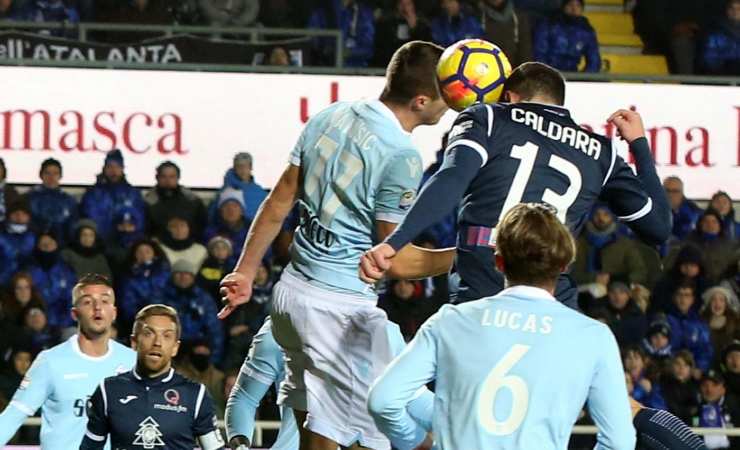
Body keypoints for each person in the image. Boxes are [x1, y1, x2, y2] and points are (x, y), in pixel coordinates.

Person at [219, 41, 453, 450]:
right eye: (444, 98)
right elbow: (395, 261)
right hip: (338, 308)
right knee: (398, 427)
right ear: (420, 101)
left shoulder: (330, 115)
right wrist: (463, 254)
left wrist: (245, 269)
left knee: (317, 430)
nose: (448, 107)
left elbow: (278, 202)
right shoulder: (401, 155)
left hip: (291, 296)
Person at [360, 62, 671, 308]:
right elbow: (658, 227)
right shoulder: (599, 151)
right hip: (551, 295)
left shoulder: (489, 118)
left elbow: (451, 180)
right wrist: (640, 146)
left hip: (484, 285)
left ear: (509, 97)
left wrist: (393, 243)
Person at [367, 203, 636, 449]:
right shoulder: (593, 337)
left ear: (498, 261)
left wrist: (415, 440)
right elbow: (619, 442)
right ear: (564, 265)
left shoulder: (451, 321)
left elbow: (383, 400)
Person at [225, 317, 434, 450]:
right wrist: (240, 444)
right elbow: (245, 397)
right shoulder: (279, 330)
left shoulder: (385, 331)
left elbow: (416, 400)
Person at [0, 274, 136, 449]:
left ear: (114, 312)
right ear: (74, 313)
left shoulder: (131, 361)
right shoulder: (50, 361)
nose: (97, 308)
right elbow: (14, 414)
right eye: (87, 302)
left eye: (104, 301)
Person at [80, 304, 225, 450]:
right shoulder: (108, 391)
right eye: (149, 333)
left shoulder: (195, 395)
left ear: (175, 347)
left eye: (166, 336)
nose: (157, 343)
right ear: (134, 342)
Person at [80, 149, 147, 242]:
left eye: (117, 167)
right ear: (104, 169)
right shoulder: (93, 194)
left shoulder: (133, 193)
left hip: (128, 244)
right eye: (110, 167)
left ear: (122, 169)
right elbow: (90, 219)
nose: (114, 171)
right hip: (100, 244)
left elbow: (140, 220)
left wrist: (131, 226)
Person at [144, 161, 207, 241]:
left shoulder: (192, 200)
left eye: (172, 176)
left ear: (178, 178)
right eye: (163, 177)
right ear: (157, 178)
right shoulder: (148, 202)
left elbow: (201, 225)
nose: (168, 180)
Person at [533, 0, 600, 72]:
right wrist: (547, 75)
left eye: (578, 6)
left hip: (573, 76)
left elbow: (594, 60)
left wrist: (584, 78)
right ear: (563, 7)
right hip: (549, 75)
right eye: (570, 5)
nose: (574, 9)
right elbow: (539, 54)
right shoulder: (548, 25)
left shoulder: (586, 30)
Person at [26, 158, 78, 244]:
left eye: (55, 173)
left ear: (60, 176)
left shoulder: (69, 200)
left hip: (62, 247)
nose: (51, 177)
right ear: (41, 175)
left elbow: (72, 226)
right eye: (47, 173)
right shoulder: (30, 198)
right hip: (35, 246)